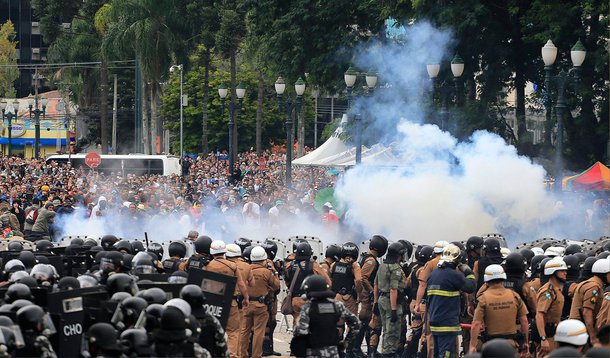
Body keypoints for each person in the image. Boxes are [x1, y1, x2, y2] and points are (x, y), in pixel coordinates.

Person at [291, 275, 361, 358]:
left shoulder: (309, 307)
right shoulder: (337, 305)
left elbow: (301, 331)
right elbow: (356, 324)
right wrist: (345, 342)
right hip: (333, 352)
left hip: (313, 352)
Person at [426, 243, 476, 358]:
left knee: (438, 353)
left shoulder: (433, 275)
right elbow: (471, 287)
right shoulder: (453, 275)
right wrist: (468, 272)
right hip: (447, 324)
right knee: (447, 354)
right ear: (457, 260)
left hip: (434, 322)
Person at [469, 264, 529, 355]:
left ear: (486, 280)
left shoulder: (483, 298)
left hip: (491, 346)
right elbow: (524, 320)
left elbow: (476, 324)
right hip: (511, 345)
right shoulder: (514, 296)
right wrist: (526, 342)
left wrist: (472, 346)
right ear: (503, 277)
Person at [205, 240, 250, 358]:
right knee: (233, 332)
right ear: (224, 251)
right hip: (231, 302)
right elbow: (241, 284)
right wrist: (246, 298)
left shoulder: (207, 265)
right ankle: (233, 355)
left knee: (211, 330)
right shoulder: (232, 266)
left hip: (212, 303)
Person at [239, 246, 280, 358]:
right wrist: (274, 272)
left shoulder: (245, 269)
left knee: (244, 331)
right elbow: (276, 287)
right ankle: (256, 355)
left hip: (246, 305)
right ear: (264, 258)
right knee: (259, 333)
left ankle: (242, 354)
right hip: (261, 306)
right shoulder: (266, 272)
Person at [373, 241, 407, 357]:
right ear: (399, 254)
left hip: (382, 300)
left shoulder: (382, 265)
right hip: (391, 302)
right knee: (392, 331)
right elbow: (393, 289)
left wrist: (375, 302)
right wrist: (393, 309)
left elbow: (376, 284)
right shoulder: (395, 268)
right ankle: (389, 353)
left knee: (386, 330)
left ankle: (385, 351)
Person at [356, 235, 388, 357]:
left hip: (366, 295)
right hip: (367, 296)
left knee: (368, 323)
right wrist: (371, 291)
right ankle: (356, 349)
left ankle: (368, 349)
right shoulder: (371, 261)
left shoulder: (367, 257)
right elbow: (363, 278)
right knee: (367, 322)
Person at [285, 240, 331, 324]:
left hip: (295, 300)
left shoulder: (290, 265)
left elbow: (287, 281)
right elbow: (327, 282)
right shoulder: (314, 265)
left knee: (297, 322)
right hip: (310, 300)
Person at [329, 242, 363, 354]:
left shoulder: (334, 264)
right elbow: (358, 280)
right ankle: (348, 350)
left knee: (338, 325)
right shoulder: (355, 266)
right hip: (349, 298)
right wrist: (359, 294)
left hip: (336, 297)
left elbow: (330, 278)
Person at [570, 258, 610, 345]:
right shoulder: (593, 287)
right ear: (603, 273)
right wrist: (592, 335)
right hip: (581, 329)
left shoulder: (592, 283)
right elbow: (587, 312)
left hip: (579, 328)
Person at [536, 257, 568, 356]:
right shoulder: (548, 291)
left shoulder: (556, 290)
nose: (565, 273)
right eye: (562, 271)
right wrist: (543, 338)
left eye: (565, 271)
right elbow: (539, 315)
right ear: (553, 272)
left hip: (554, 334)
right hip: (547, 334)